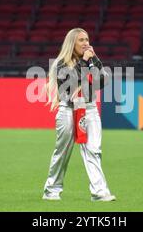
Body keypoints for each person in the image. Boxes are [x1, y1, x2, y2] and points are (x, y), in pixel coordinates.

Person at [43, 28, 116, 202]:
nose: (86, 43)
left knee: (94, 150)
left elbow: (103, 82)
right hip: (68, 109)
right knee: (63, 152)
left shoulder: (90, 60)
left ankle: (99, 192)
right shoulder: (61, 63)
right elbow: (68, 86)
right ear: (72, 43)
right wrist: (83, 62)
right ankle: (51, 189)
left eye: (87, 39)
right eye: (81, 40)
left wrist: (95, 59)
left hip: (89, 109)